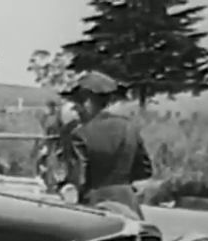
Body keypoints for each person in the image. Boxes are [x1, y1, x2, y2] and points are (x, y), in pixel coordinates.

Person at [57, 71, 154, 219]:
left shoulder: (81, 134)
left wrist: (67, 188)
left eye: (78, 103)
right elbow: (145, 170)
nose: (76, 109)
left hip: (96, 207)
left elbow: (79, 180)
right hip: (130, 206)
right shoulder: (129, 128)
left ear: (88, 101)